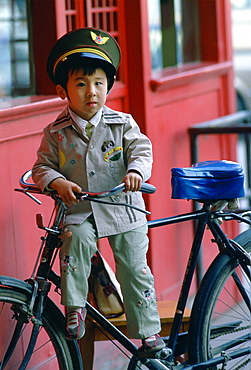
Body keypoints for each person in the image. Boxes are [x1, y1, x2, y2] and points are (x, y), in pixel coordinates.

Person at [32, 27, 165, 352]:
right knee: (73, 240)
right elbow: (41, 167)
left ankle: (147, 331)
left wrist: (136, 170)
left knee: (134, 268)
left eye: (98, 83)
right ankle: (74, 306)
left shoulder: (123, 124)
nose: (91, 91)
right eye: (81, 84)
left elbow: (141, 151)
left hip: (123, 207)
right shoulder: (56, 133)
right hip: (80, 210)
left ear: (108, 86)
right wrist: (56, 181)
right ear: (63, 91)